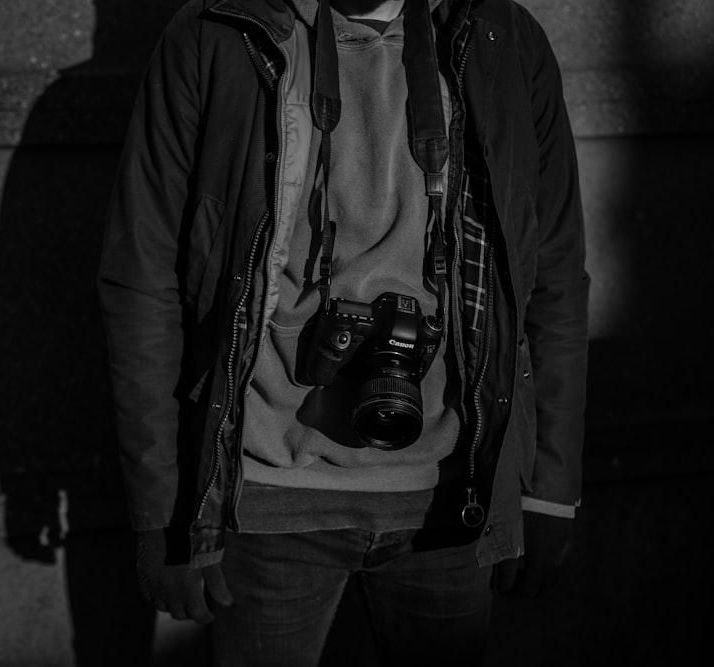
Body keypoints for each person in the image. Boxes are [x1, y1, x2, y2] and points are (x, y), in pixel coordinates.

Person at [98, 0, 588, 663]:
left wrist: (550, 489)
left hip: (452, 495)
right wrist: (164, 513)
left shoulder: (501, 36)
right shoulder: (219, 35)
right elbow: (141, 283)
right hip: (266, 497)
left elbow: (553, 276)